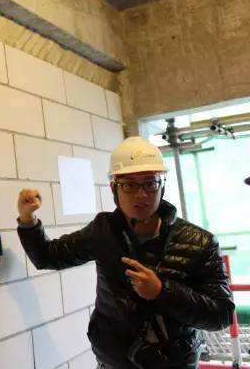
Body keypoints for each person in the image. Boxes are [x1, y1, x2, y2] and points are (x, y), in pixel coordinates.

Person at [16, 136, 234, 369]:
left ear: (162, 185)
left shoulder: (199, 241)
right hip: (115, 362)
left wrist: (162, 291)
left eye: (150, 183)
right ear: (114, 188)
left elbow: (221, 315)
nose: (141, 194)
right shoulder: (103, 231)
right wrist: (28, 219)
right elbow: (48, 256)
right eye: (129, 184)